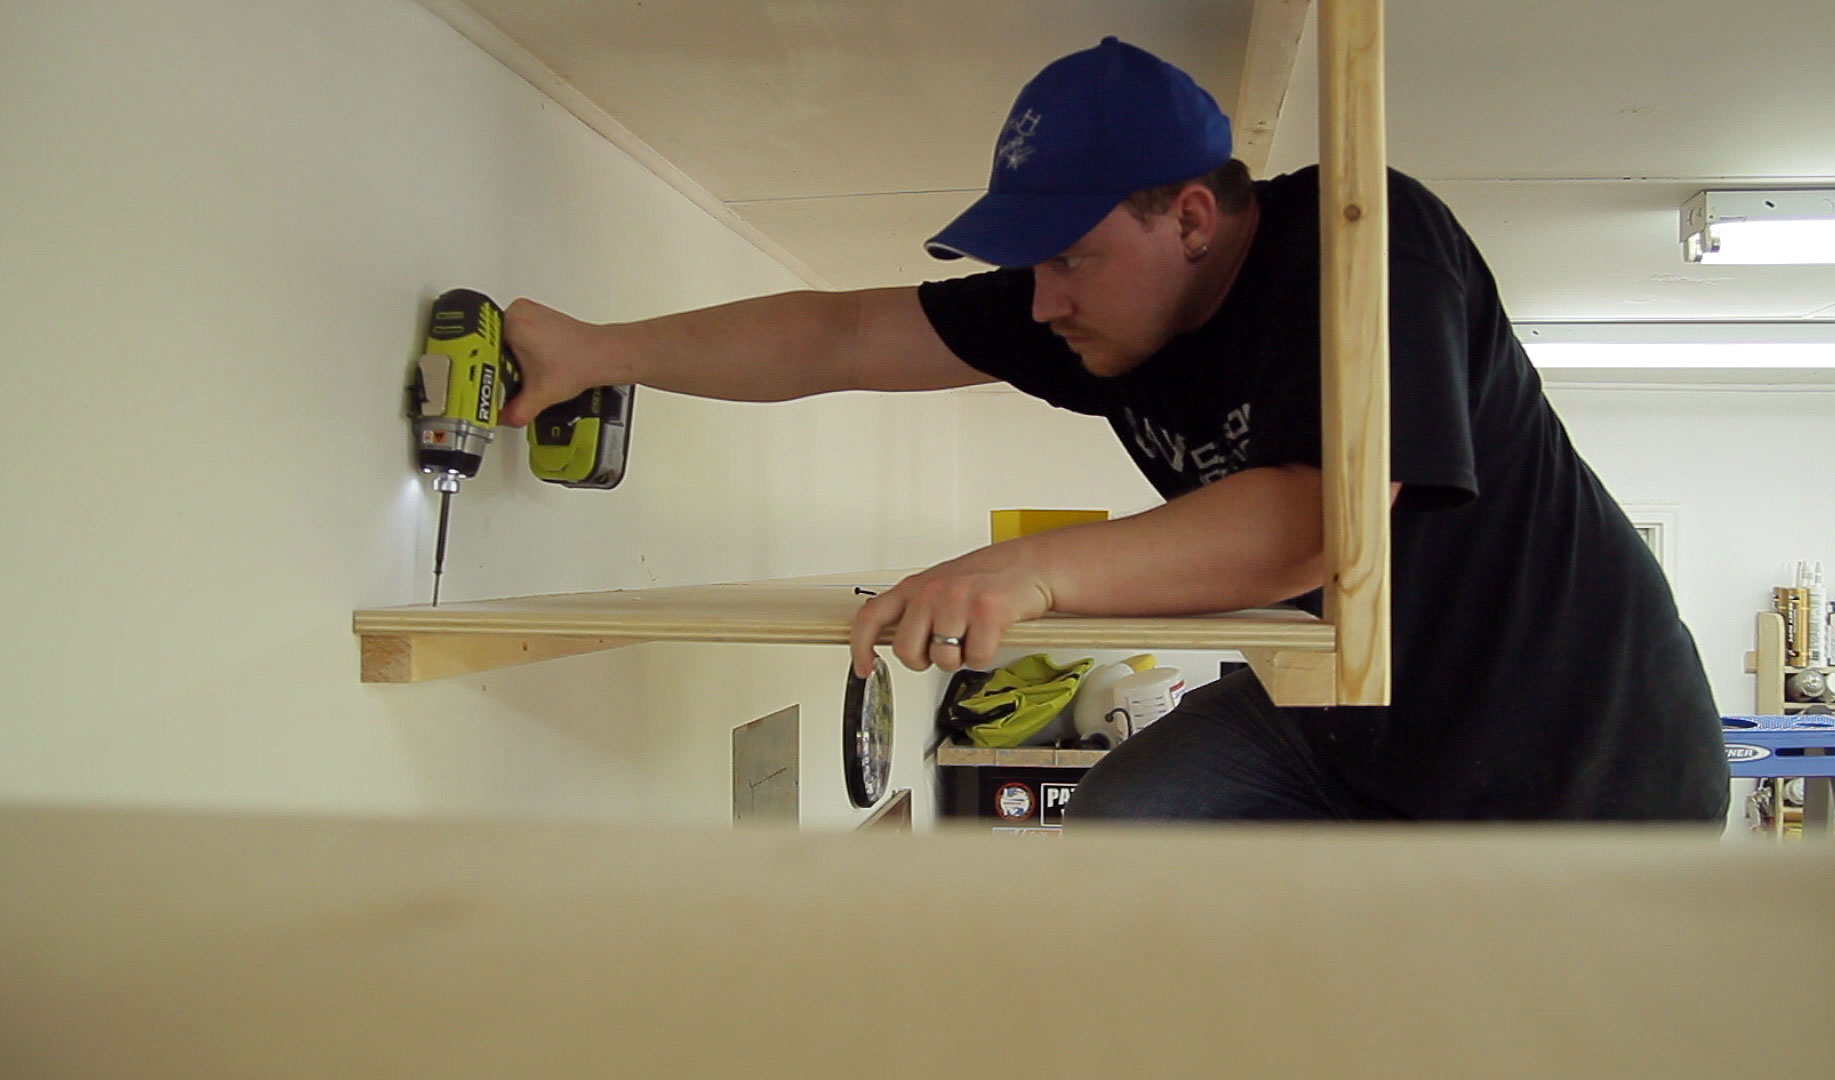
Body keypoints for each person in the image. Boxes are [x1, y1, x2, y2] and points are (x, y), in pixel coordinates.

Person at [500, 37, 1730, 823]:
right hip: (1348, 725)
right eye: (1031, 267)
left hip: (1582, 760)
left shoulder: (1364, 247)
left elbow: (1320, 524)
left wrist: (1029, 570)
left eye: (1070, 261)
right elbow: (840, 334)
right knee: (1123, 842)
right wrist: (604, 354)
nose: (1042, 304)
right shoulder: (1094, 305)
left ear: (1193, 218)